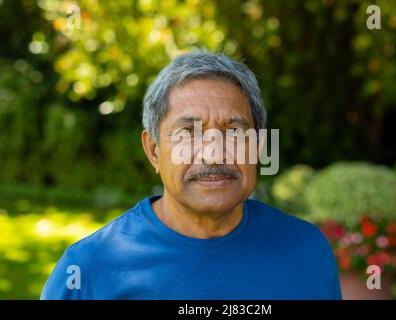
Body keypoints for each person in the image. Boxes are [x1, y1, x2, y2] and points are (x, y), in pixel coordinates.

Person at [41, 50, 342, 299]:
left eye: (235, 132)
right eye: (188, 132)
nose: (213, 153)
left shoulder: (306, 249)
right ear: (154, 151)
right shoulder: (88, 270)